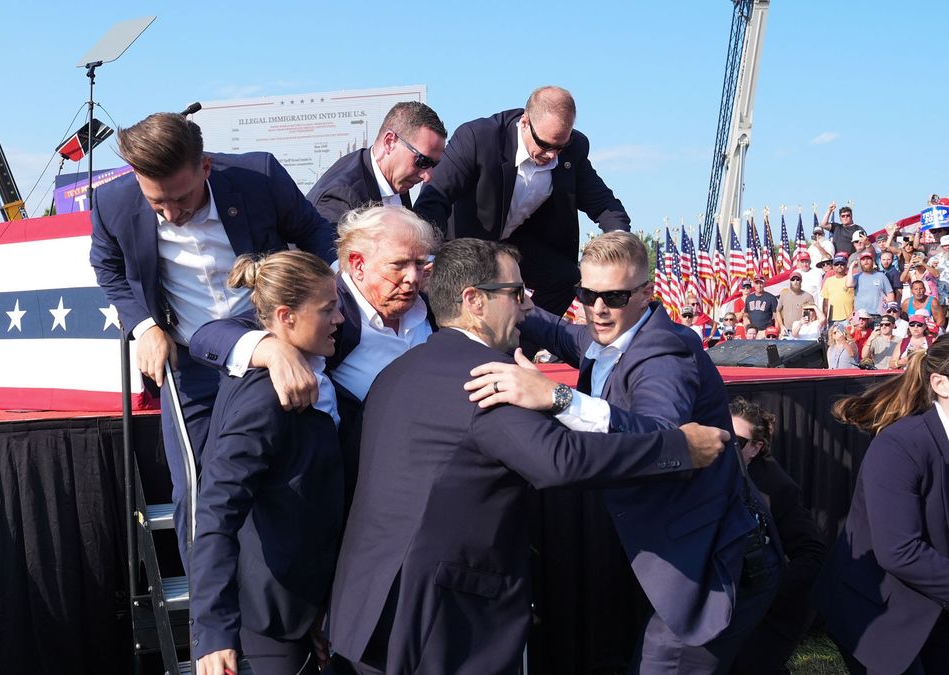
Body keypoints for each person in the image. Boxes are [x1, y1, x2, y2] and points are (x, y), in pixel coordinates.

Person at [326, 238, 727, 675]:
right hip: (440, 621)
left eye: (612, 297)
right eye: (517, 295)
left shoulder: (397, 371)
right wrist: (679, 448)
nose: (525, 307)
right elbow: (562, 461)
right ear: (474, 301)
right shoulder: (490, 382)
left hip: (365, 603)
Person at [466, 231, 779, 673]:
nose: (597, 308)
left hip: (708, 569)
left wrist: (556, 397)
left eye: (613, 296)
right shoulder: (612, 334)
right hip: (672, 555)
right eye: (587, 293)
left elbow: (661, 436)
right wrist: (516, 304)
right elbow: (567, 335)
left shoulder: (663, 353)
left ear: (646, 293)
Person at [89, 112, 335, 559]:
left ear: (205, 166)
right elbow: (107, 269)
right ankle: (208, 619)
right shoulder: (113, 203)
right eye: (157, 203)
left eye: (181, 199)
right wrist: (145, 326)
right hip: (191, 368)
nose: (172, 215)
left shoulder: (258, 176)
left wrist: (335, 303)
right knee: (199, 491)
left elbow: (317, 234)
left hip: (277, 350)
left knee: (291, 475)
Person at [189, 205, 440, 502]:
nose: (412, 277)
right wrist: (272, 350)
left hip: (430, 470)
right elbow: (207, 337)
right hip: (357, 489)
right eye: (399, 265)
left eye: (420, 264)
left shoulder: (430, 306)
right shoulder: (326, 304)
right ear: (358, 264)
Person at [818, 330, 949, 675]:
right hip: (875, 608)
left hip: (939, 600)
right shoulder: (901, 446)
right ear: (941, 384)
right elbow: (899, 551)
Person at [191, 251, 344, 675]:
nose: (340, 319)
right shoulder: (264, 399)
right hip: (269, 615)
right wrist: (214, 630)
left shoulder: (314, 366)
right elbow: (217, 511)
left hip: (309, 600)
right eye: (328, 309)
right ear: (286, 316)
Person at [415, 86, 630, 316]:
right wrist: (424, 256)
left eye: (560, 147)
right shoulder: (478, 138)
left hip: (514, 245)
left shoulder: (572, 152)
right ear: (525, 123)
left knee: (566, 278)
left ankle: (519, 342)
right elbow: (435, 197)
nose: (552, 155)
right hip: (463, 242)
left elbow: (605, 205)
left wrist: (619, 249)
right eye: (545, 145)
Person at [729, 397, 826, 675]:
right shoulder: (711, 470)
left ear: (756, 447)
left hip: (772, 612)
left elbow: (813, 553)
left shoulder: (777, 487)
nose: (726, 446)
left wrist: (764, 589)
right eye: (721, 435)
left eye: (737, 441)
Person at [306, 102, 447, 222]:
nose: (427, 176)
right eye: (423, 161)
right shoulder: (340, 199)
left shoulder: (397, 180)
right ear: (389, 142)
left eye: (434, 165)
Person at [846, 250, 894, 317]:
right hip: (860, 315)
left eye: (868, 259)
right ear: (860, 262)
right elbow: (849, 284)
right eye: (863, 260)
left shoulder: (881, 276)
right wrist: (851, 267)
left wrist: (889, 310)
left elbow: (890, 293)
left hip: (878, 315)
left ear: (873, 261)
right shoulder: (857, 277)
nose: (866, 261)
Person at [820, 254, 854, 324]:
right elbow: (825, 303)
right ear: (833, 266)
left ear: (846, 265)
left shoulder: (851, 279)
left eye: (842, 264)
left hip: (849, 319)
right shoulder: (828, 281)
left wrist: (853, 315)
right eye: (836, 264)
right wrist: (825, 318)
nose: (839, 266)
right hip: (833, 320)